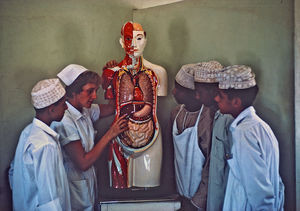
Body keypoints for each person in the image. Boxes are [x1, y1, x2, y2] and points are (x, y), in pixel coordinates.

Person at [101, 21, 168, 188]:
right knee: (120, 192)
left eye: (139, 38)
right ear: (122, 42)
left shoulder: (158, 72)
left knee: (148, 189)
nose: (134, 44)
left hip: (151, 137)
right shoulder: (112, 73)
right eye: (129, 39)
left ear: (146, 39)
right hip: (120, 137)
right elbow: (111, 105)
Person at [54, 64, 128, 210]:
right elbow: (83, 163)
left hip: (86, 186)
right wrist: (110, 134)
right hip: (73, 189)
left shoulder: (85, 109)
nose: (94, 96)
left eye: (96, 91)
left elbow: (112, 108)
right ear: (73, 93)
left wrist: (110, 83)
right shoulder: (65, 120)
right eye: (89, 91)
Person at [215, 65, 285, 210]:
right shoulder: (259, 126)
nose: (216, 99)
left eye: (220, 95)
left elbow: (259, 190)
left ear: (236, 102)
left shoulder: (245, 132)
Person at [9, 78, 71, 210]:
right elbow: (49, 199)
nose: (66, 107)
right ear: (51, 109)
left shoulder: (28, 132)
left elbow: (13, 173)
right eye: (63, 103)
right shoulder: (45, 144)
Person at [171, 62, 220, 210]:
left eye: (179, 89)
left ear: (195, 94)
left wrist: (195, 203)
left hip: (201, 203)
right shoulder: (176, 113)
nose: (173, 92)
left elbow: (211, 167)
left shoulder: (209, 118)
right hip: (181, 196)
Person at [193, 62, 234, 211]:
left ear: (213, 91)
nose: (197, 96)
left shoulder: (228, 120)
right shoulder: (213, 115)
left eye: (200, 91)